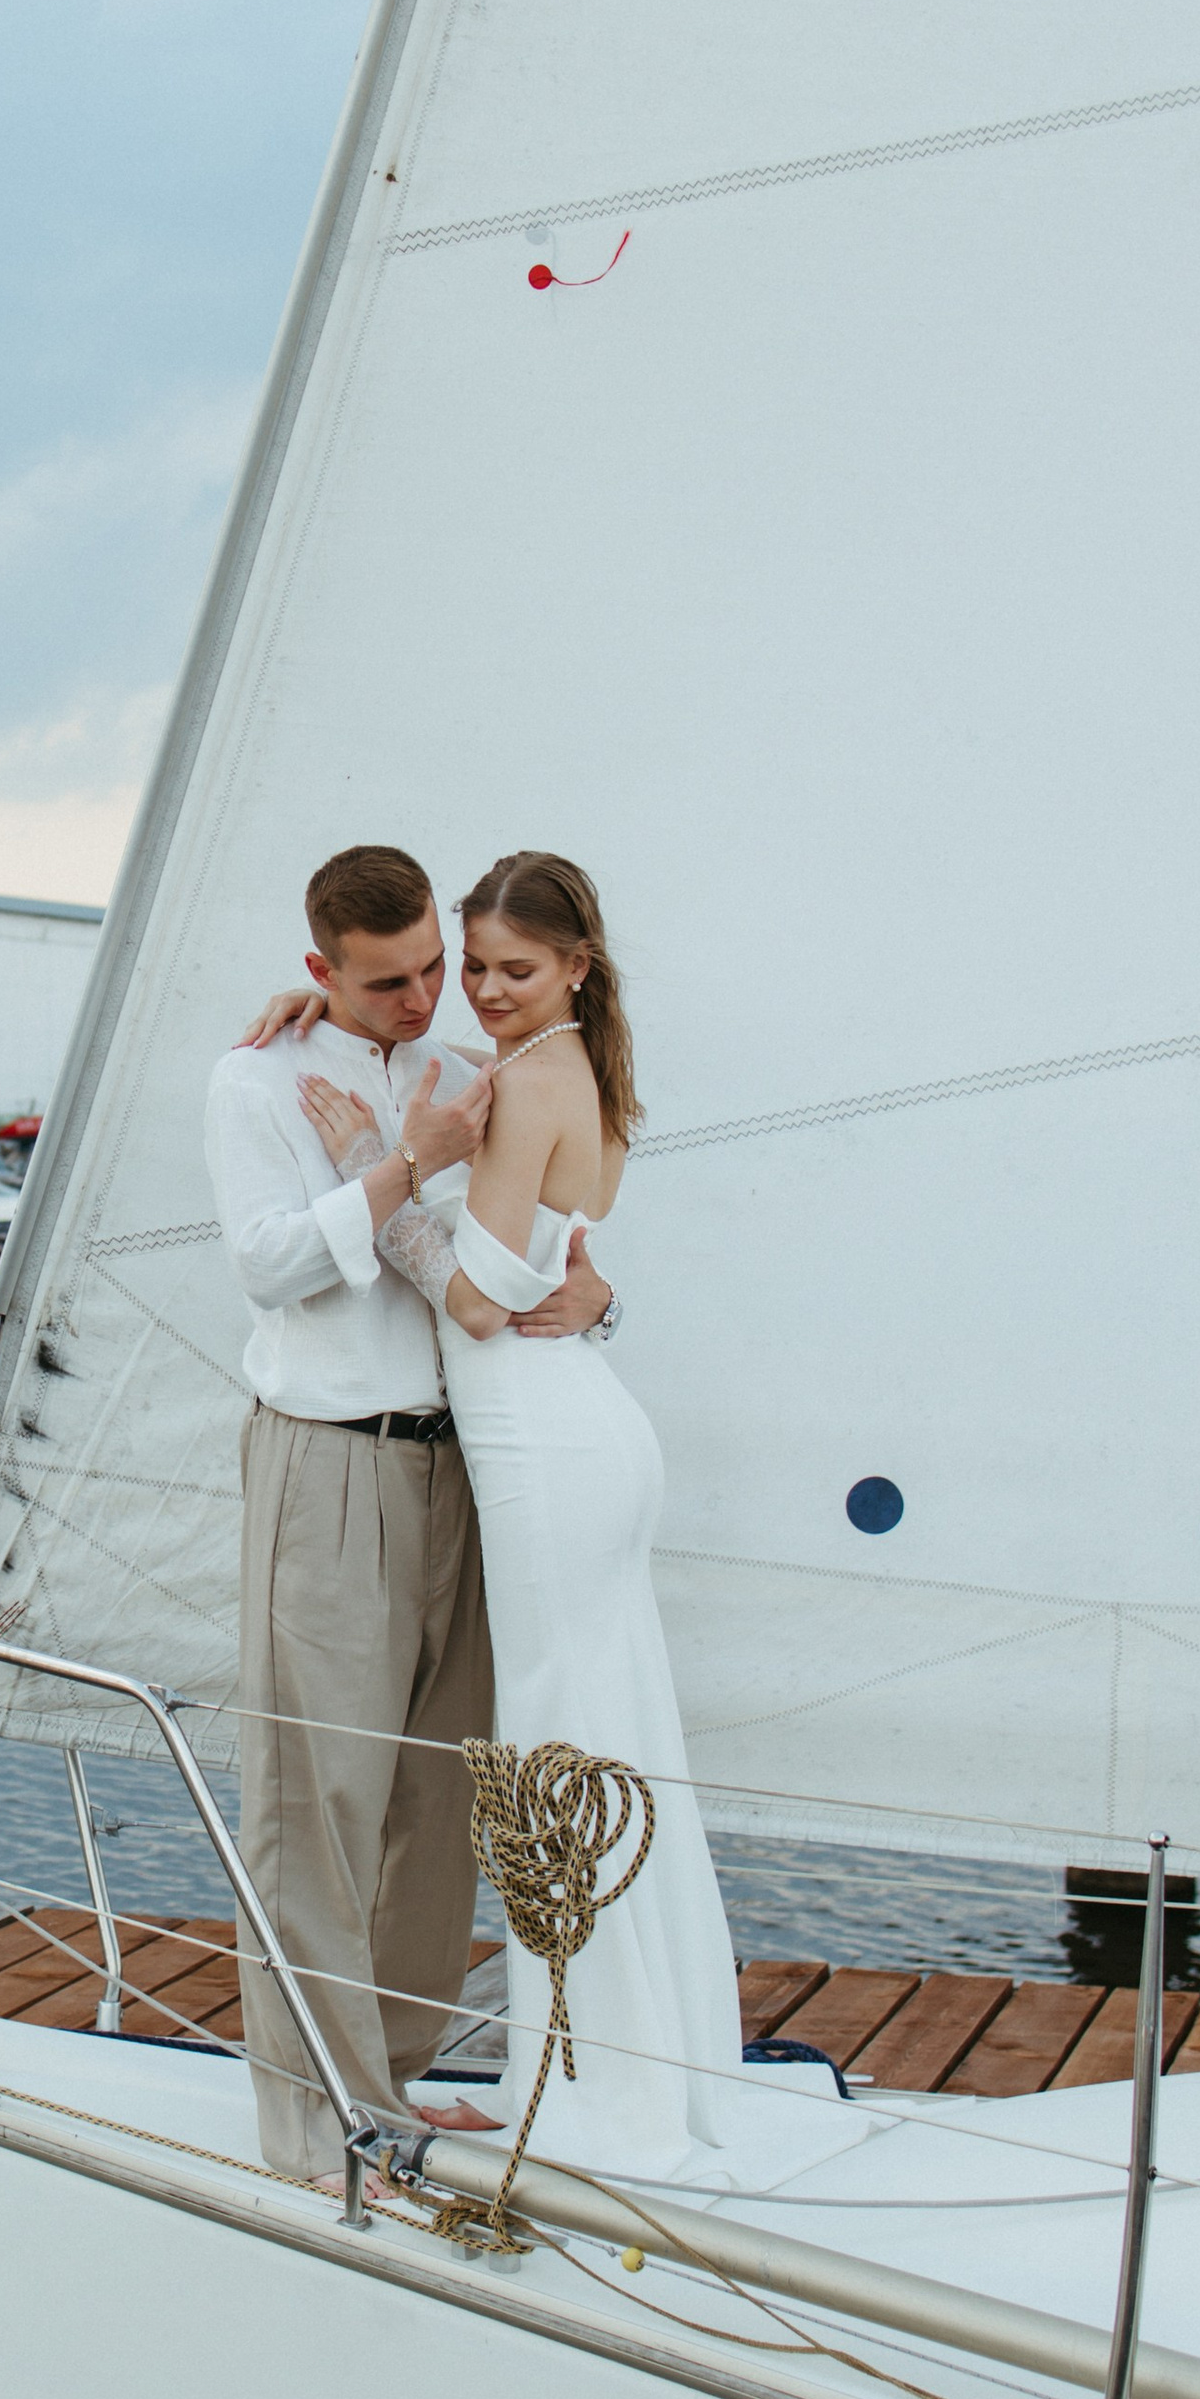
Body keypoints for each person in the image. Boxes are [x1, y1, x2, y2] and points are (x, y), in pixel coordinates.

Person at [290, 850, 853, 2184]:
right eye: (472, 968)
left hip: (551, 1444)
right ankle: (613, 2062)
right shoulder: (575, 1064)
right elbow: (550, 1259)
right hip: (573, 1425)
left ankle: (605, 2087)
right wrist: (300, 1003)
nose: (481, 993)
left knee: (558, 1745)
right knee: (594, 1738)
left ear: (577, 967)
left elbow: (480, 1299)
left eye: (512, 971)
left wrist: (376, 1171)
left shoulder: (537, 1077)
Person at [204, 844, 614, 2187]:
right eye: (391, 980)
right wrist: (397, 1170)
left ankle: (392, 2080)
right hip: (328, 1466)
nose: (430, 995)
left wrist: (600, 1299)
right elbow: (270, 1267)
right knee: (316, 1803)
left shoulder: (463, 1065)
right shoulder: (253, 1080)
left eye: (439, 964)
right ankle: (314, 2125)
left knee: (441, 1796)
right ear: (320, 971)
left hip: (469, 1466)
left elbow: (541, 1235)